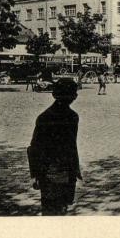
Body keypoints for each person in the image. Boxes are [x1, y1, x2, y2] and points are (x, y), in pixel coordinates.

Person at [28, 78, 82, 215]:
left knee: (53, 210)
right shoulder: (72, 117)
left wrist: (34, 173)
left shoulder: (45, 117)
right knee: (58, 209)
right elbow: (71, 145)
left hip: (54, 172)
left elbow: (34, 147)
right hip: (58, 172)